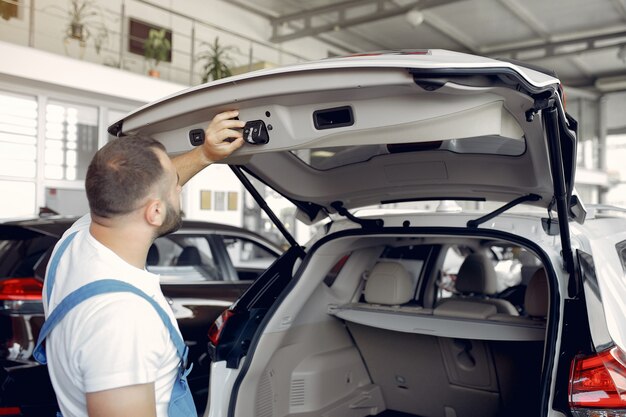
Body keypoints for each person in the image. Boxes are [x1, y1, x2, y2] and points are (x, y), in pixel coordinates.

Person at [35, 110, 245, 417]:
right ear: (155, 212)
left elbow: (139, 182)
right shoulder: (122, 320)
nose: (180, 187)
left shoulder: (72, 243)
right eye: (175, 185)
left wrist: (204, 154)